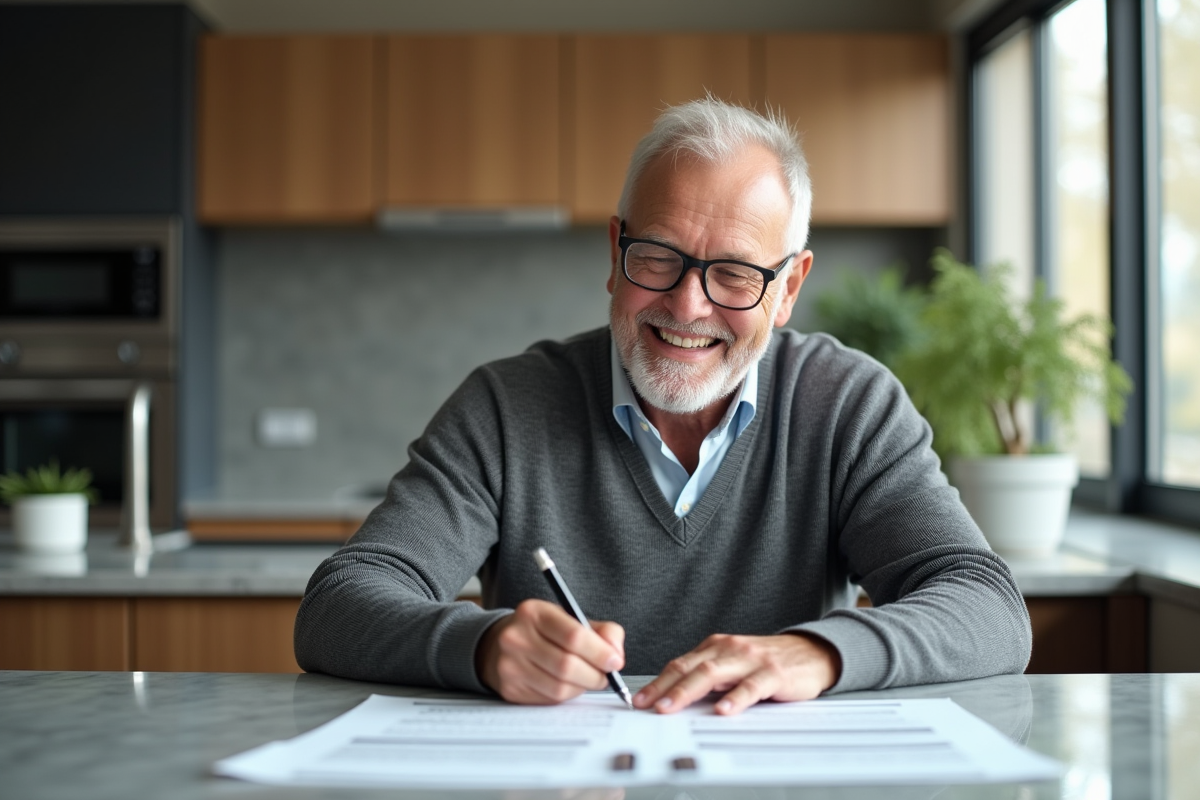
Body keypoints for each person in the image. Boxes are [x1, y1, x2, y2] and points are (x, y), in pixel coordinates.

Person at [294, 98, 1031, 716]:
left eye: (736, 273)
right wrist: (480, 648)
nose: (687, 305)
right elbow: (338, 607)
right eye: (657, 257)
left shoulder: (849, 406)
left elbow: (990, 610)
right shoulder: (505, 406)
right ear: (615, 252)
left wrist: (821, 652)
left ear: (789, 289)